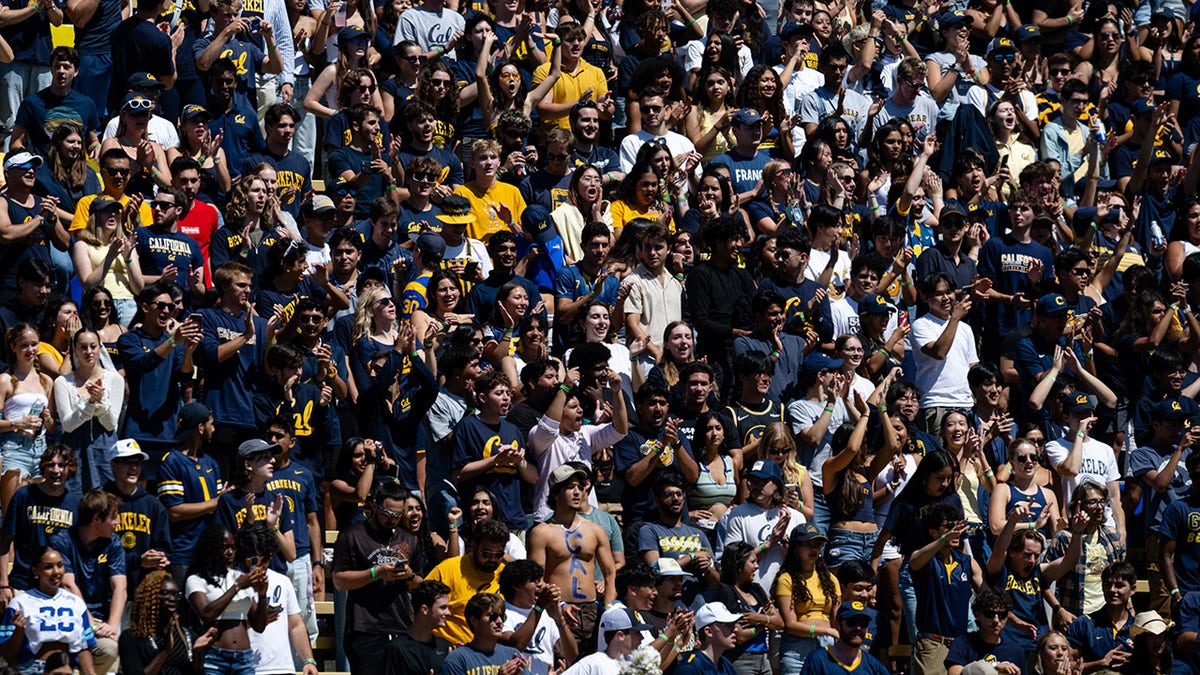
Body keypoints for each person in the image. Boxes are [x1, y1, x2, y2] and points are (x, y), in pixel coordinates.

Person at [331, 479, 421, 675]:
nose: (392, 519)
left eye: (398, 515)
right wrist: (375, 573)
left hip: (402, 626)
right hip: (365, 628)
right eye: (387, 513)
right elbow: (339, 580)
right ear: (374, 505)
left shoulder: (410, 540)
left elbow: (420, 585)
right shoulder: (352, 535)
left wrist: (409, 575)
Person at [528, 465, 618, 653]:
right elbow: (537, 579)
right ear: (556, 493)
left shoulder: (595, 530)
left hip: (592, 611)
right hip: (559, 611)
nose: (577, 492)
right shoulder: (541, 532)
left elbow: (610, 573)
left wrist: (609, 608)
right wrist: (558, 606)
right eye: (570, 487)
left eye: (579, 486)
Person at [0, 547, 98, 675]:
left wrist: (90, 673)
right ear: (36, 570)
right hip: (31, 669)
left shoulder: (76, 602)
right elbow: (8, 654)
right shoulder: (20, 603)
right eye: (48, 567)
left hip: (67, 669)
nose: (56, 571)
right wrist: (19, 631)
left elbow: (84, 648)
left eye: (60, 565)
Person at [426, 518, 510, 646]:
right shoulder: (448, 569)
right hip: (450, 649)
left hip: (490, 652)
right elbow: (422, 607)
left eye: (498, 554)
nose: (493, 559)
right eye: (486, 554)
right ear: (473, 546)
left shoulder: (505, 575)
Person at [103, 438, 170, 591]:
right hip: (108, 588)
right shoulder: (102, 501)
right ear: (113, 465)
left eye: (137, 463)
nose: (134, 468)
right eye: (128, 462)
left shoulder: (154, 505)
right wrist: (138, 560)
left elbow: (164, 546)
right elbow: (97, 551)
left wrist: (160, 558)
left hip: (144, 588)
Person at [118, 570, 215, 674]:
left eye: (176, 594)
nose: (172, 598)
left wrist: (197, 653)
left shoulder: (187, 636)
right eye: (165, 593)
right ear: (150, 597)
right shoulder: (132, 638)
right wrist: (166, 649)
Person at [498, 559, 579, 674]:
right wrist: (539, 606)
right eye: (534, 581)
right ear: (516, 585)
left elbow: (571, 655)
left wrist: (559, 620)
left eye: (541, 580)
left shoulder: (545, 613)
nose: (541, 584)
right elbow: (515, 646)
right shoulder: (501, 613)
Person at [442, 592, 531, 675]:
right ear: (474, 620)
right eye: (493, 616)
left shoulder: (513, 655)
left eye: (502, 617)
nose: (499, 621)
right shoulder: (457, 660)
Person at [944, 590, 1025, 675]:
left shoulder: (1016, 650)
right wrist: (994, 666)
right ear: (977, 614)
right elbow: (954, 672)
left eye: (1002, 615)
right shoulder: (963, 643)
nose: (996, 620)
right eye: (990, 614)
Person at [798, 601, 891, 675]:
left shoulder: (874, 666)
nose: (858, 628)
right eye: (852, 622)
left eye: (863, 623)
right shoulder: (817, 661)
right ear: (837, 625)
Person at [672, 602, 742, 675]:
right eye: (727, 625)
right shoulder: (689, 668)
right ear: (708, 631)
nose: (735, 629)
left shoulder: (725, 664)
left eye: (733, 624)